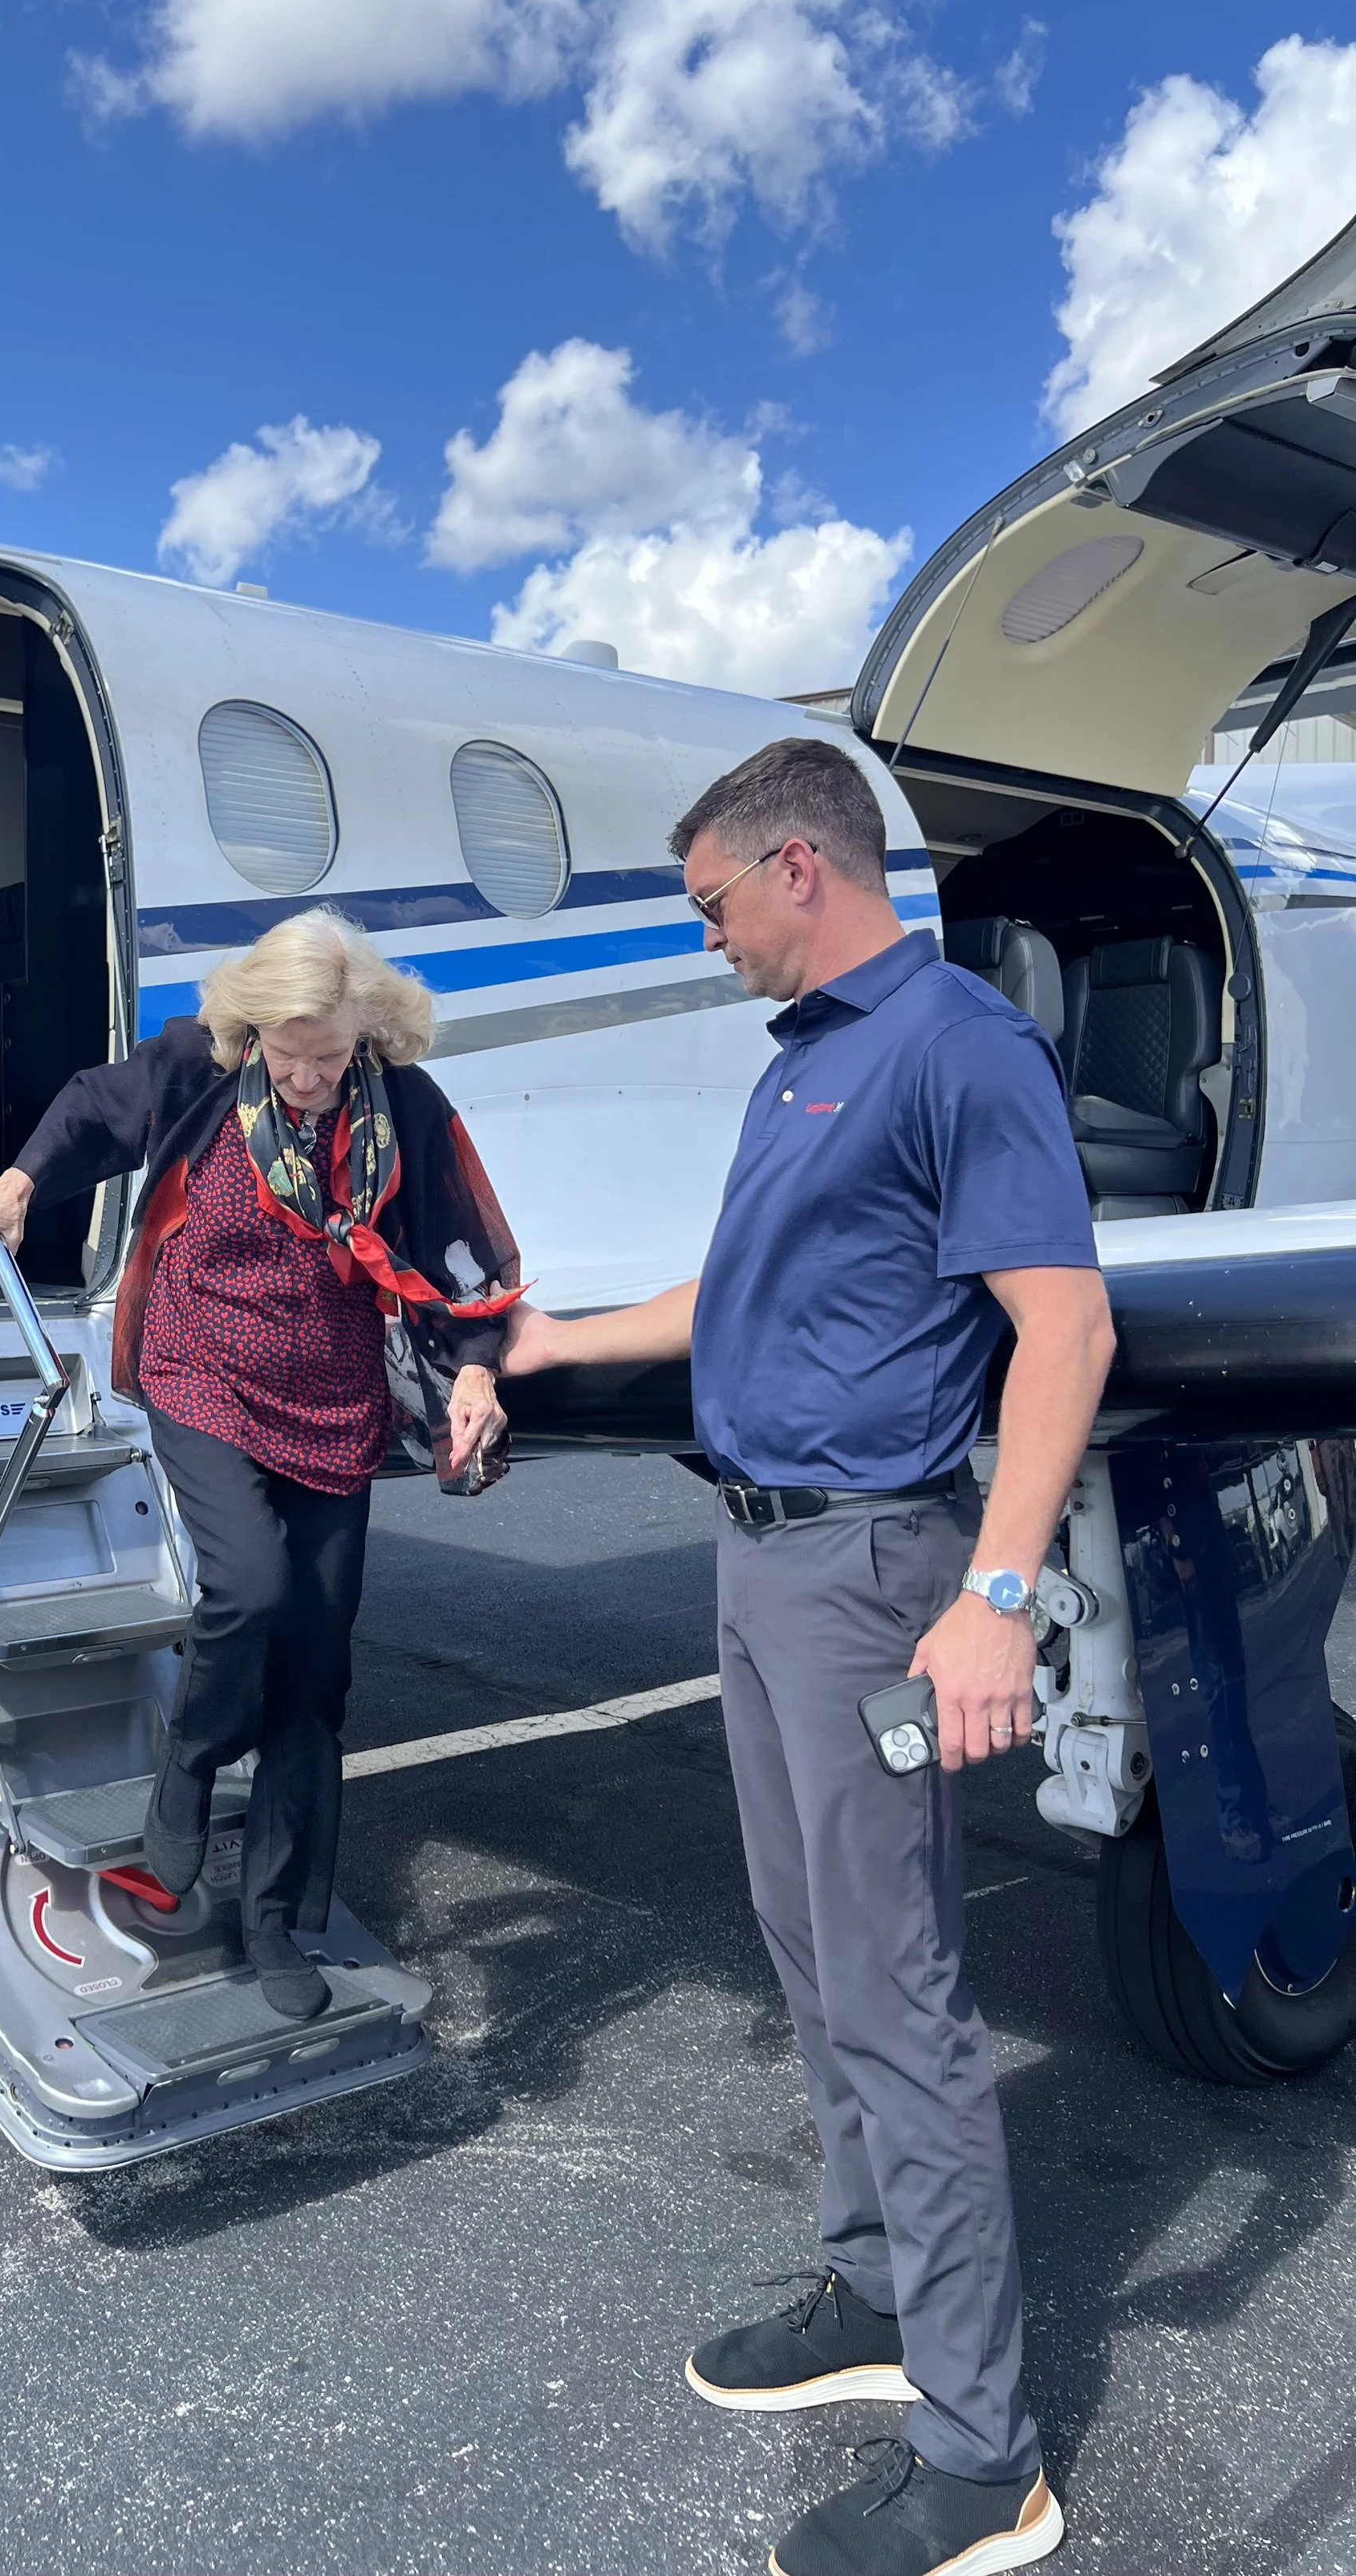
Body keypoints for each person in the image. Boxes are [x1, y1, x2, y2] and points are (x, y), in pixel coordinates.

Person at [503, 738, 1113, 2576]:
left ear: (797, 865)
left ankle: (982, 2456)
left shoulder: (951, 1045)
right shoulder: (801, 1076)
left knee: (899, 1990)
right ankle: (870, 2297)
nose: (706, 945)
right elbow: (731, 1298)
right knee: (806, 1953)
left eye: (707, 909)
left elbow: (1062, 1325)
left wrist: (994, 1596)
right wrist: (554, 1346)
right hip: (757, 1558)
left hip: (873, 1570)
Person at [0, 909, 522, 2023]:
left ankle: (274, 1921)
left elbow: (463, 1246)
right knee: (250, 1586)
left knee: (315, 1667)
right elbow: (88, 1110)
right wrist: (21, 1184)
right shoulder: (198, 1071)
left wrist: (477, 1370)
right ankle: (187, 1786)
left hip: (335, 1394)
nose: (309, 1078)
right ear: (252, 1029)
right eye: (289, 1053)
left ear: (369, 1035)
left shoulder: (400, 1103)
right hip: (200, 1367)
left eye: (331, 1055)